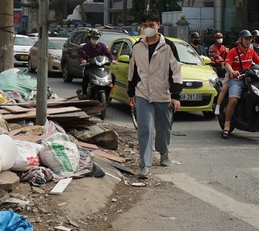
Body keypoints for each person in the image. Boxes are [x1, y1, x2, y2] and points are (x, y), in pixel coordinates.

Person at [127, 11, 182, 179]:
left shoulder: (168, 46)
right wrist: (131, 93)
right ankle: (145, 165)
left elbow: (176, 71)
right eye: (145, 25)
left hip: (163, 94)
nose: (148, 28)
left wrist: (176, 95)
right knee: (145, 128)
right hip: (143, 92)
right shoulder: (137, 47)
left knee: (164, 128)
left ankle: (163, 151)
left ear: (159, 25)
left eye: (152, 25)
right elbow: (133, 71)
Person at [221, 29, 259, 138]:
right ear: (240, 39)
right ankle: (227, 124)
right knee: (233, 100)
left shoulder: (251, 51)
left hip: (250, 79)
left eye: (249, 39)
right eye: (246, 39)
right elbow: (227, 64)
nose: (248, 41)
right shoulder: (233, 51)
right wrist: (232, 72)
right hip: (237, 79)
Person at [78, 29, 115, 96]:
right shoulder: (85, 47)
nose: (95, 40)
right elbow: (81, 56)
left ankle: (111, 91)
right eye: (94, 38)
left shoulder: (102, 46)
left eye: (97, 38)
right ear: (90, 38)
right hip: (90, 67)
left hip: (101, 67)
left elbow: (109, 54)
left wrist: (112, 59)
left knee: (113, 76)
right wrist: (83, 60)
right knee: (86, 76)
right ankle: (84, 93)